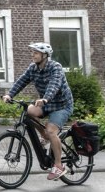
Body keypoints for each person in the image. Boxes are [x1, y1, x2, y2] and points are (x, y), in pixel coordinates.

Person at [6, 41, 75, 180]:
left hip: (61, 105)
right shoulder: (33, 68)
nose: (33, 55)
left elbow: (54, 85)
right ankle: (44, 136)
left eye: (36, 53)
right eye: (33, 52)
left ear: (45, 55)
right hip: (46, 103)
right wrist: (10, 94)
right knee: (30, 111)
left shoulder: (56, 68)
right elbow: (22, 81)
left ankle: (58, 166)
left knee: (52, 131)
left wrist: (45, 99)